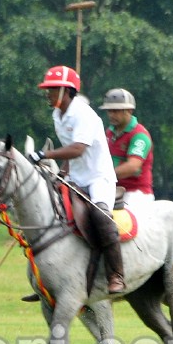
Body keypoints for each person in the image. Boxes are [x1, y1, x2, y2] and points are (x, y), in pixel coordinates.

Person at [27, 65, 125, 294]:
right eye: (47, 89)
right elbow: (70, 150)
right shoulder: (57, 114)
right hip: (75, 178)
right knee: (53, 212)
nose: (47, 94)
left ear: (66, 91)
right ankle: (53, 277)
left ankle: (116, 275)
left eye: (52, 89)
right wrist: (62, 172)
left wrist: (45, 154)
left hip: (98, 178)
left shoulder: (83, 114)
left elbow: (78, 148)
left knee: (101, 218)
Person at [99, 88, 154, 205]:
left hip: (136, 194)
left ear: (129, 110)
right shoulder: (109, 132)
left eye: (116, 111)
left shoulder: (140, 135)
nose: (111, 115)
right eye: (109, 111)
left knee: (122, 223)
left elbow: (132, 167)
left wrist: (103, 175)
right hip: (111, 190)